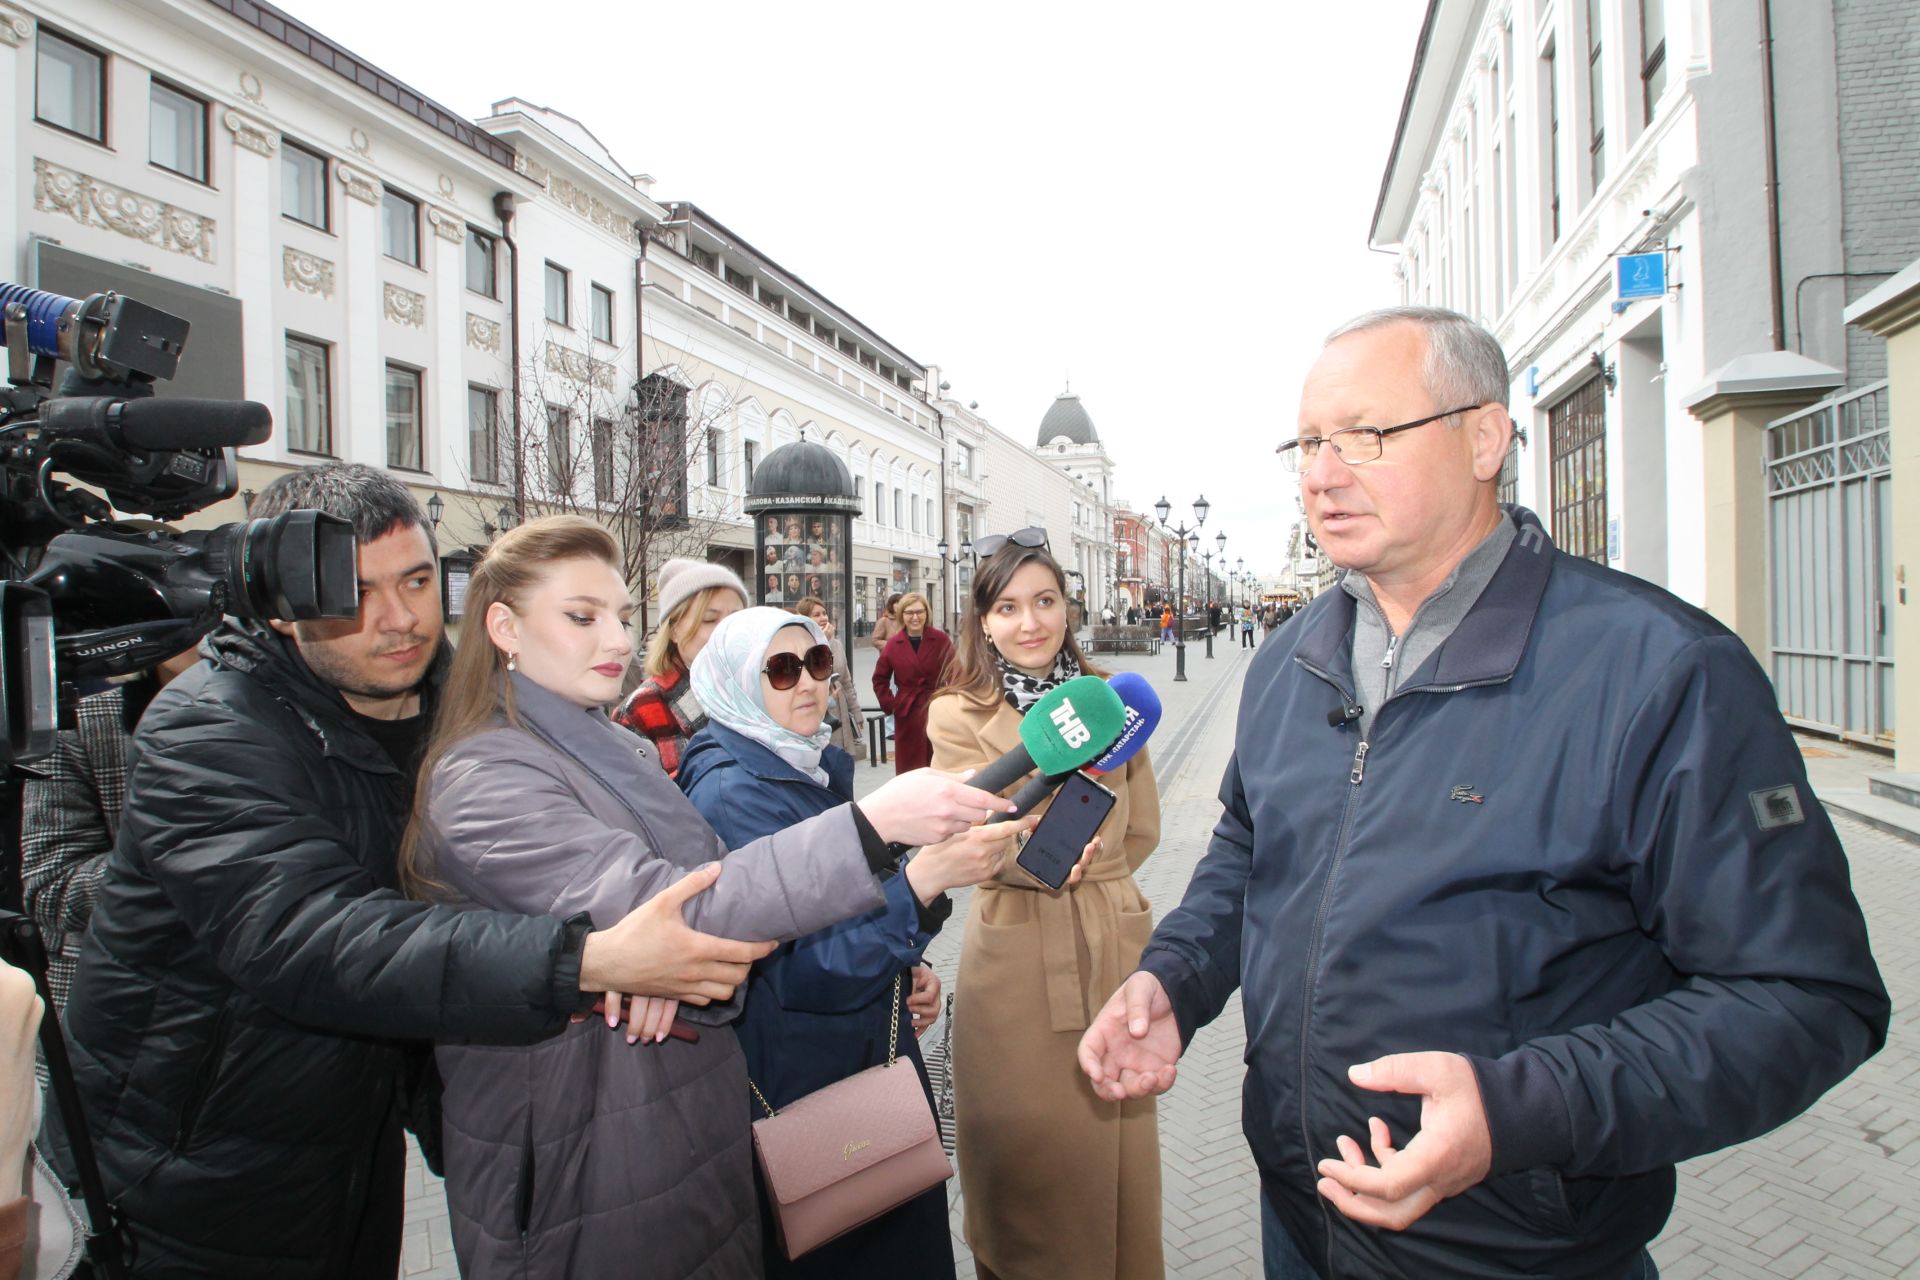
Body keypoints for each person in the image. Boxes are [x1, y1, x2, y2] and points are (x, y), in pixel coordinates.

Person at [1078, 307, 1890, 1280]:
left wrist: (1526, 1106)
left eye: (1368, 436)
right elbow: (1250, 852)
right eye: (1308, 442)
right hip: (1301, 1221)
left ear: (1485, 438)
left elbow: (1804, 994)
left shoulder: (1661, 672)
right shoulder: (1289, 659)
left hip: (1519, 1248)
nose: (1322, 473)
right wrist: (1177, 976)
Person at [58, 464, 781, 1278]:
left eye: (415, 580)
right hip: (193, 1159)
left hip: (358, 1134)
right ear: (282, 601)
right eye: (354, 590)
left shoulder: (462, 707)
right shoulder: (207, 732)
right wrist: (586, 959)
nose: (399, 619)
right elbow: (314, 940)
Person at [407, 518, 1026, 1279]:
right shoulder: (487, 776)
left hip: (677, 1134)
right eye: (581, 617)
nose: (614, 640)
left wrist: (663, 963)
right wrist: (880, 828)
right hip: (590, 1157)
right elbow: (688, 910)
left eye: (621, 618)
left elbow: (691, 923)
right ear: (502, 626)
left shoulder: (607, 747)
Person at [679, 609, 1029, 1278]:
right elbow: (806, 972)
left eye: (815, 663)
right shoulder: (733, 792)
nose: (807, 684)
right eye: (780, 670)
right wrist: (923, 881)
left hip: (853, 1065)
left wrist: (910, 961)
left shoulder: (795, 765)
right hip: (812, 1086)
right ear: (735, 685)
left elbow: (844, 906)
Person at [928, 535, 1164, 1280]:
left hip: (1111, 948)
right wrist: (1033, 859)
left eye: (1044, 601)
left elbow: (1146, 826)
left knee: (1118, 1177)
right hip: (1019, 964)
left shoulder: (1114, 699)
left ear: (1068, 605)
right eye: (1007, 607)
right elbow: (966, 836)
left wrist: (1104, 886)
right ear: (983, 621)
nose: (1030, 623)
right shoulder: (957, 715)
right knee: (1030, 1181)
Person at [20, 647, 197, 1013]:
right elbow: (49, 887)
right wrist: (183, 864)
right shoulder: (78, 726)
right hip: (120, 1000)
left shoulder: (294, 718)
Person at [615, 557, 747, 778]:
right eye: (709, 619)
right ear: (674, 630)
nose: (726, 629)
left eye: (737, 618)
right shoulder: (641, 710)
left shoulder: (762, 689)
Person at [872, 593, 950, 774]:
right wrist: (892, 704)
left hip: (936, 709)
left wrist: (950, 701)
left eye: (919, 612)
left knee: (938, 763)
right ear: (901, 615)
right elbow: (879, 679)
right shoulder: (893, 644)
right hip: (907, 711)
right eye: (909, 612)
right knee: (910, 766)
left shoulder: (940, 640)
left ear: (927, 613)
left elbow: (955, 672)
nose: (915, 617)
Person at [792, 596, 862, 758]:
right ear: (804, 619)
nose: (823, 618)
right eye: (816, 615)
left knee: (842, 763)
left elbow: (846, 681)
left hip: (840, 711)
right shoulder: (799, 645)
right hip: (817, 716)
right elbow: (812, 672)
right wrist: (823, 642)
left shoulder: (836, 644)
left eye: (824, 613)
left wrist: (856, 712)